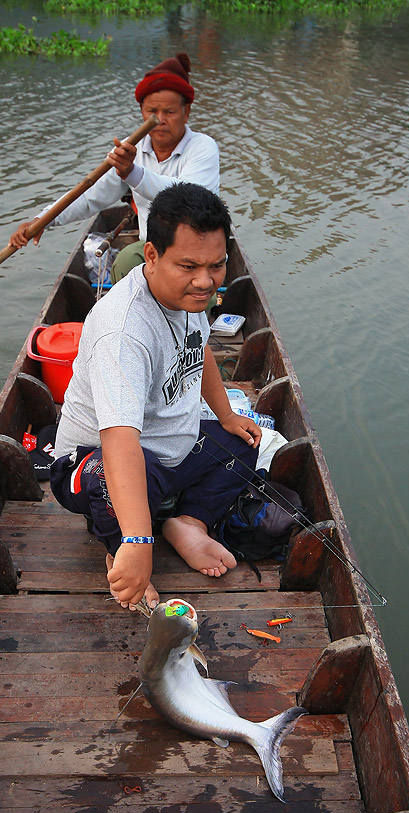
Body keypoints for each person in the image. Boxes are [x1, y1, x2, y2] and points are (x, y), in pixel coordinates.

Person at [49, 183, 261, 613]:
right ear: (151, 256)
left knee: (243, 441)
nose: (205, 280)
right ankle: (120, 546)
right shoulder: (124, 331)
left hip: (168, 450)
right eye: (188, 265)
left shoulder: (190, 295)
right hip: (96, 459)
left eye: (217, 265)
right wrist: (138, 542)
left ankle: (188, 523)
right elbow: (120, 441)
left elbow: (199, 353)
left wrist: (225, 416)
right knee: (119, 473)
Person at [9, 52, 219, 283]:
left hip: (199, 253)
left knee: (172, 275)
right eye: (152, 112)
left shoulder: (202, 147)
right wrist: (43, 220)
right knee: (128, 261)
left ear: (186, 112)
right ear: (142, 111)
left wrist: (132, 173)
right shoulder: (131, 149)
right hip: (154, 251)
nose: (160, 120)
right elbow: (90, 196)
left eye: (169, 112)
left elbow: (189, 197)